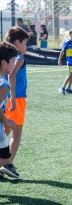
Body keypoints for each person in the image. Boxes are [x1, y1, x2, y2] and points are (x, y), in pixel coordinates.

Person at [0, 27, 29, 179]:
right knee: (16, 133)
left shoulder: (8, 57)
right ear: (17, 42)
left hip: (10, 98)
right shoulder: (19, 58)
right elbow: (12, 76)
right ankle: (7, 163)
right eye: (25, 43)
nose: (26, 47)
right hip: (17, 99)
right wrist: (13, 99)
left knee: (5, 131)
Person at [0, 42, 18, 179]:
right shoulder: (4, 84)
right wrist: (6, 121)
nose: (14, 64)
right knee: (6, 158)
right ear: (3, 63)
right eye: (12, 61)